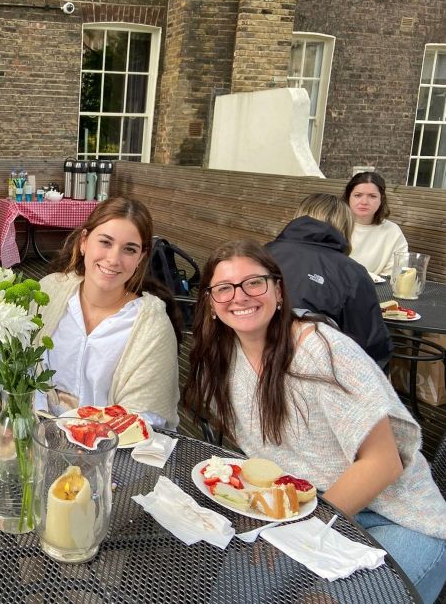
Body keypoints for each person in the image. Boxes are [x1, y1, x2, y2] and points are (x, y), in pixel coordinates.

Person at [184, 239, 446, 603]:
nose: (239, 296)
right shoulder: (224, 360)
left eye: (254, 283)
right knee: (239, 590)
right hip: (304, 505)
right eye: (224, 288)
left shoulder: (321, 350)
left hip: (398, 519)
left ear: (278, 290)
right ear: (211, 303)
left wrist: (300, 529)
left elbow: (383, 462)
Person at [35, 197, 181, 430]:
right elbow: (24, 370)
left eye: (129, 249)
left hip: (114, 450)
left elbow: (147, 414)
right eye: (105, 242)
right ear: (84, 242)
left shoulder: (152, 324)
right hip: (41, 433)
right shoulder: (49, 292)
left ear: (140, 257)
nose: (113, 259)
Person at [266, 193, 392, 366]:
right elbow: (371, 346)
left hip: (253, 360)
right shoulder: (353, 273)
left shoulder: (259, 255)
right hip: (318, 373)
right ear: (346, 227)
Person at [343, 171, 408, 279]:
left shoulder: (392, 231)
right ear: (348, 197)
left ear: (381, 199)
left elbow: (396, 273)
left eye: (372, 196)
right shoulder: (333, 225)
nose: (364, 202)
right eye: (358, 195)